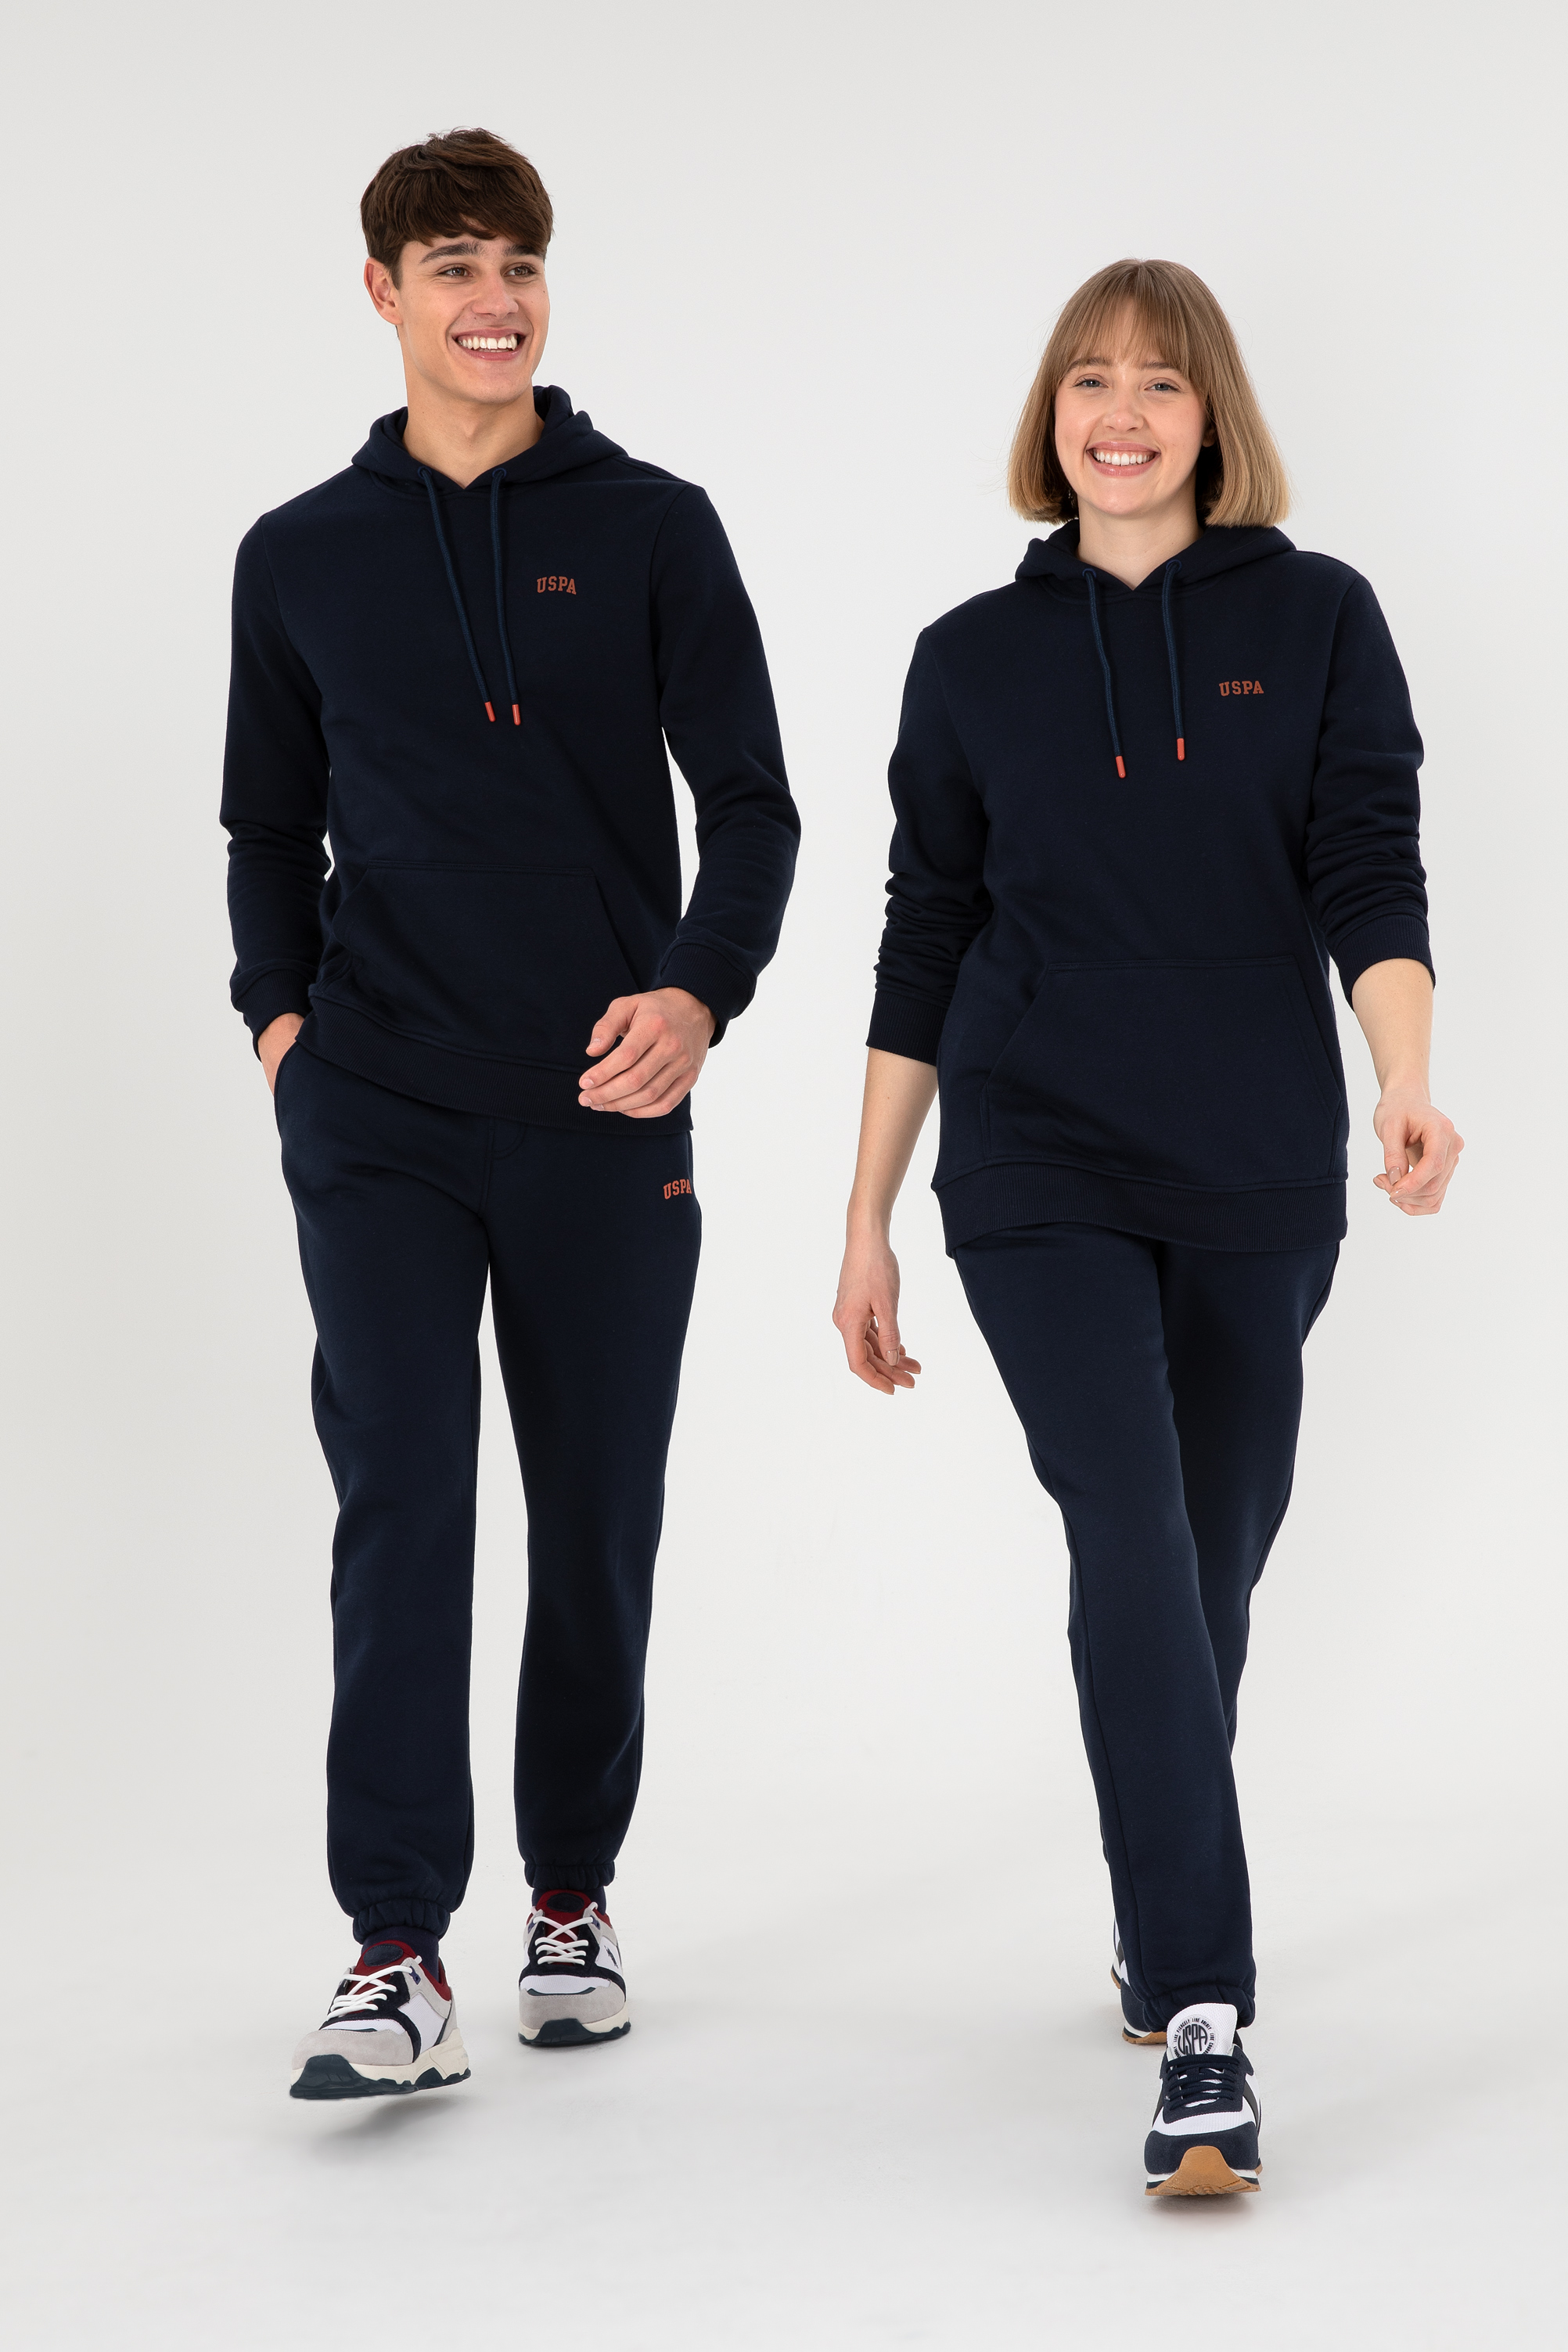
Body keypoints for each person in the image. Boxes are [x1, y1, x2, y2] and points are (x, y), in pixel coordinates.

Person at [832, 259, 1460, 2196]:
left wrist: (1405, 1076)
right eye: (1091, 379)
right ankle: (1204, 2018)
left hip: (1257, 1157)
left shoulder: (1321, 617)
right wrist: (866, 1213)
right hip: (1036, 1159)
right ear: (1054, 414)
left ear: (1213, 419)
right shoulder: (967, 656)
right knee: (1128, 1524)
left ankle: (1149, 1887)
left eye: (1163, 384)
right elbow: (925, 928)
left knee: (1208, 1564)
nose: (1123, 413)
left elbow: (1368, 865)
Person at [223, 128, 798, 2100]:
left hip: (601, 1107)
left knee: (596, 1515)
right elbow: (266, 827)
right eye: (456, 264)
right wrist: (284, 1033)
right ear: (382, 291)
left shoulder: (652, 527)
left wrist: (698, 995)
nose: (496, 300)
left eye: (521, 263)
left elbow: (755, 808)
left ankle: (571, 1900)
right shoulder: (299, 553)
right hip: (378, 1106)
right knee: (404, 1504)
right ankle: (395, 1950)